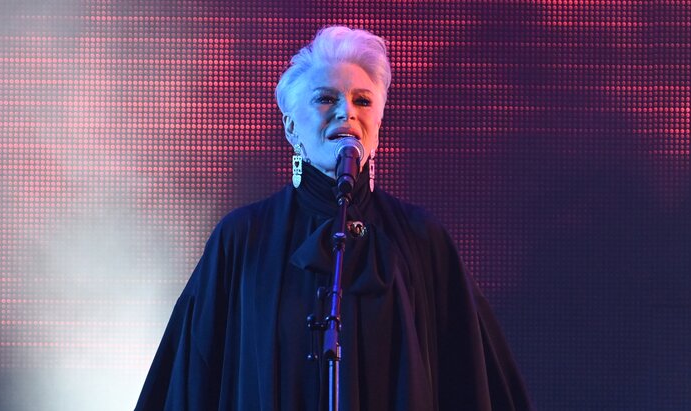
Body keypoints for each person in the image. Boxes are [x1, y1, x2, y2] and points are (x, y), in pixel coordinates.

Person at [135, 26, 533, 411]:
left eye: (363, 101)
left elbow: (468, 381)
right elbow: (192, 380)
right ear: (291, 127)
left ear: (378, 125)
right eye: (326, 98)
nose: (347, 112)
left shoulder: (422, 240)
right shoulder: (242, 238)